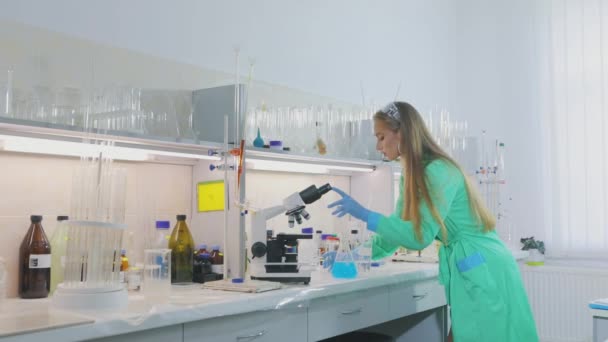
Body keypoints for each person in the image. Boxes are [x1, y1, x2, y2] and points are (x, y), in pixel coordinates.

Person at [327, 102, 539, 342]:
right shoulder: (412, 174)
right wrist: (354, 255)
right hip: (469, 262)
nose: (378, 146)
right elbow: (394, 232)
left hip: (484, 264)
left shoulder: (437, 171)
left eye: (382, 137)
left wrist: (366, 215)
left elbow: (419, 237)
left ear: (402, 133)